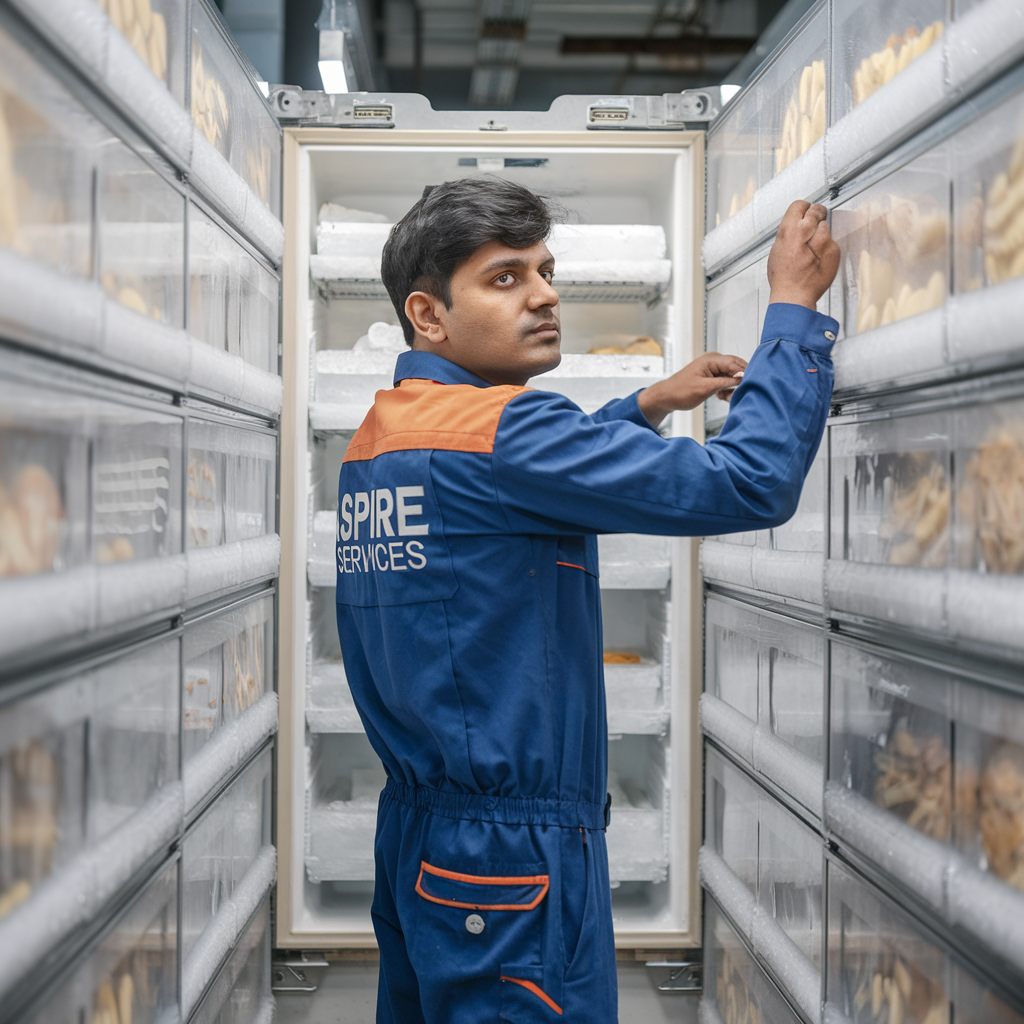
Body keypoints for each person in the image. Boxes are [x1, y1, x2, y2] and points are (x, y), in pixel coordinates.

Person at [334, 177, 840, 1023]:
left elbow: (515, 481)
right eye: (505, 278)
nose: (544, 295)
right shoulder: (508, 435)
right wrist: (791, 309)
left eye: (544, 270)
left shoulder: (384, 433)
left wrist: (645, 405)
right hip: (513, 862)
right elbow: (751, 483)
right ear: (429, 315)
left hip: (422, 841)